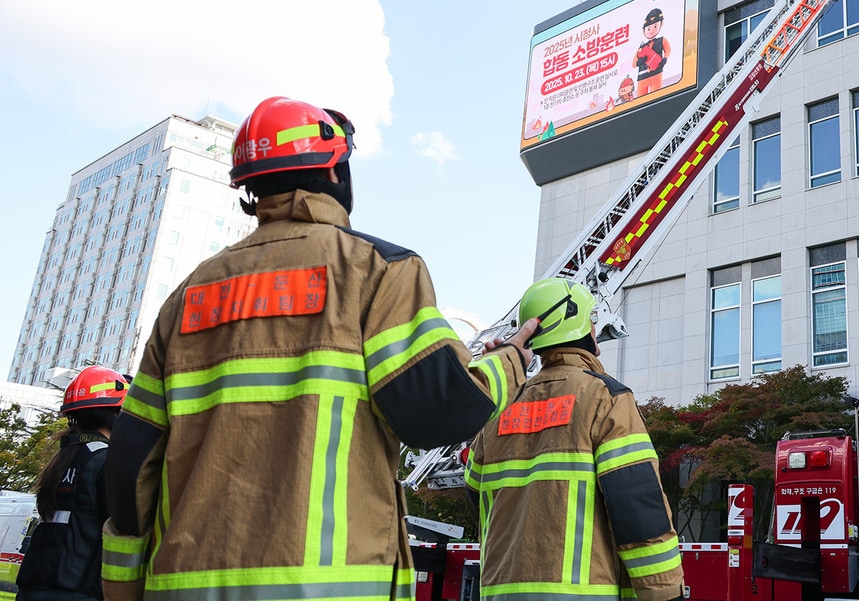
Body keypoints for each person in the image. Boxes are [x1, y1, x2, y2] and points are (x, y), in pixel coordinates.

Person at [101, 96, 537, 601]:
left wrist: (123, 585)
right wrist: (510, 362)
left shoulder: (187, 298)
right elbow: (438, 413)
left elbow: (131, 461)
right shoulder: (377, 271)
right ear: (335, 173)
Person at [466, 279, 685, 601]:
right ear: (577, 323)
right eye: (592, 320)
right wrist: (665, 592)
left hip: (502, 590)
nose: (596, 329)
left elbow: (477, 496)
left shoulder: (500, 407)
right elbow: (636, 503)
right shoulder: (605, 396)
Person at [15, 367, 127, 601]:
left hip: (34, 588)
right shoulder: (106, 461)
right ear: (115, 414)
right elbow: (124, 531)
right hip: (80, 591)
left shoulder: (60, 461)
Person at [632, 8, 671, 97]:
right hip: (642, 77)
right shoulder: (641, 47)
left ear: (661, 24)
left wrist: (665, 59)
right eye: (648, 28)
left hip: (656, 73)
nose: (651, 30)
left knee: (656, 97)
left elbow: (668, 50)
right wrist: (639, 62)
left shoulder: (661, 40)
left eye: (655, 26)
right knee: (640, 100)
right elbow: (633, 63)